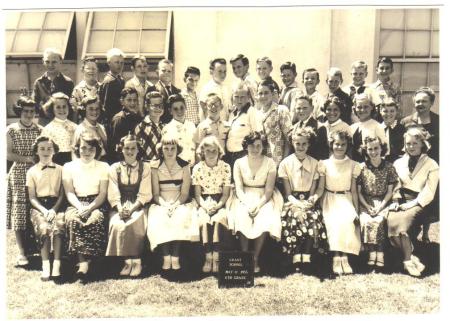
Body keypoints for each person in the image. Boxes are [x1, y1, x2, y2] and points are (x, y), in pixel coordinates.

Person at [386, 126, 439, 277]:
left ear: (422, 144)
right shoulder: (398, 162)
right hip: (400, 201)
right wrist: (395, 200)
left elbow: (429, 192)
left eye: (415, 143)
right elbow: (395, 184)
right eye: (408, 143)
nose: (411, 147)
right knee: (390, 225)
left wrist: (412, 204)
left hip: (420, 203)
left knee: (402, 227)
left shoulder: (432, 164)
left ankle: (407, 261)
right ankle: (412, 255)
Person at [228, 132, 283, 273]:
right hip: (243, 196)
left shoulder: (270, 163)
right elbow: (239, 188)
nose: (255, 149)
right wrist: (247, 204)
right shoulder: (239, 163)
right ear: (246, 146)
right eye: (252, 145)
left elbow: (269, 190)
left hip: (263, 197)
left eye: (259, 146)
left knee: (264, 216)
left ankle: (255, 258)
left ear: (263, 147)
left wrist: (258, 206)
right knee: (242, 214)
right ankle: (245, 257)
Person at [147, 135, 199, 271]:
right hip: (161, 201)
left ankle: (175, 257)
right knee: (160, 217)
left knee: (179, 217)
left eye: (173, 148)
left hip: (180, 201)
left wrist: (175, 205)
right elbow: (156, 194)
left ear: (178, 149)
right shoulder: (154, 166)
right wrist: (165, 205)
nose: (169, 151)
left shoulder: (185, 165)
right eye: (166, 148)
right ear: (161, 150)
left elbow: (184, 193)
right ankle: (166, 257)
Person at [278, 128, 327, 272]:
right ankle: (295, 255)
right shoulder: (286, 164)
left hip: (309, 200)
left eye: (304, 144)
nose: (300, 147)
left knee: (311, 217)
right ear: (293, 143)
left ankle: (306, 256)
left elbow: (316, 188)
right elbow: (288, 193)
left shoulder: (315, 164)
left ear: (308, 144)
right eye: (297, 143)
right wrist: (297, 204)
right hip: (292, 200)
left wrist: (312, 200)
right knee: (294, 216)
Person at [62, 132, 110, 281]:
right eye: (83, 148)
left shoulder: (103, 166)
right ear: (77, 148)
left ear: (97, 150)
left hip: (96, 203)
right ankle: (82, 262)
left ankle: (93, 259)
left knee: (95, 220)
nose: (87, 152)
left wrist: (90, 208)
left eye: (91, 148)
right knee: (74, 220)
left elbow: (103, 193)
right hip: (75, 202)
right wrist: (80, 207)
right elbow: (69, 192)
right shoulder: (68, 166)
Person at [315, 130, 361, 275]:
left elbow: (354, 190)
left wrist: (357, 209)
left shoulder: (353, 165)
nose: (339, 147)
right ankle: (336, 257)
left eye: (343, 144)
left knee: (347, 220)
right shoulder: (324, 164)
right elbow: (321, 187)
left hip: (346, 198)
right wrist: (315, 199)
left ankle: (345, 257)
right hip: (330, 199)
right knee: (334, 221)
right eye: (336, 144)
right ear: (331, 145)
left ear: (347, 146)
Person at [106, 134, 152, 277]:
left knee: (135, 221)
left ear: (138, 150)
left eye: (133, 148)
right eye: (127, 148)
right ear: (122, 149)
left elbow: (145, 193)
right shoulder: (114, 168)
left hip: (138, 204)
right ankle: (127, 261)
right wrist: (120, 209)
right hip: (120, 204)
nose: (130, 151)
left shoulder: (145, 167)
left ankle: (136, 261)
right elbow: (113, 192)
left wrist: (131, 209)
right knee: (117, 223)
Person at [7, 95, 43, 267]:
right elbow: (7, 154)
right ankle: (22, 252)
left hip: (37, 174)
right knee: (20, 213)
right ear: (19, 112)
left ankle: (36, 248)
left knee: (35, 208)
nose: (29, 115)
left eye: (32, 111)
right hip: (19, 173)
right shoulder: (11, 130)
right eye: (26, 111)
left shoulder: (39, 130)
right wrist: (29, 159)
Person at [401, 87, 439, 243]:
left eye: (424, 101)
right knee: (414, 195)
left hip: (433, 164)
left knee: (430, 197)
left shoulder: (439, 121)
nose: (420, 104)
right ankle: (411, 229)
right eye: (417, 101)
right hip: (413, 163)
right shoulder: (406, 121)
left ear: (431, 103)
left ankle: (425, 232)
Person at [26, 136, 65, 281]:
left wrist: (54, 209)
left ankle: (57, 264)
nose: (46, 151)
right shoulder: (31, 171)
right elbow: (32, 198)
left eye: (49, 148)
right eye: (42, 149)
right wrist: (44, 210)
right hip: (39, 206)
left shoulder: (61, 170)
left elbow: (62, 194)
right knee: (44, 228)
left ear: (54, 151)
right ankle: (45, 265)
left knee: (59, 227)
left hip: (57, 205)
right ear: (36, 151)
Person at [192, 136, 231, 273]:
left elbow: (226, 194)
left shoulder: (225, 167)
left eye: (214, 151)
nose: (211, 154)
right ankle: (208, 257)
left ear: (219, 151)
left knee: (219, 220)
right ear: (202, 152)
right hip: (203, 202)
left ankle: (217, 257)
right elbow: (197, 195)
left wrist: (218, 206)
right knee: (203, 221)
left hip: (220, 201)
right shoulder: (197, 168)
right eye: (207, 151)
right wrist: (205, 206)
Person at [357, 136, 397, 268]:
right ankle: (371, 252)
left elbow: (390, 191)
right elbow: (359, 192)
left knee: (379, 221)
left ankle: (380, 253)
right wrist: (367, 206)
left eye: (376, 148)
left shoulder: (389, 167)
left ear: (382, 148)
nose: (373, 152)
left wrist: (380, 206)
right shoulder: (361, 168)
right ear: (365, 150)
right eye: (370, 149)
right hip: (366, 201)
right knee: (367, 221)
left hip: (383, 201)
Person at [32, 47, 74, 126]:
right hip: (44, 124)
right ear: (43, 61)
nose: (50, 65)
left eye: (54, 62)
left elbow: (71, 108)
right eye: (47, 62)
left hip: (63, 123)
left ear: (60, 62)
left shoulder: (68, 82)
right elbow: (34, 106)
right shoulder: (38, 82)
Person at [226, 82, 263, 170]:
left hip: (243, 155)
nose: (239, 100)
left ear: (247, 98)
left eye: (242, 97)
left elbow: (257, 135)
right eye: (236, 97)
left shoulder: (252, 112)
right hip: (230, 155)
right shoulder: (232, 113)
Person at [258, 80, 292, 166]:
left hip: (278, 160)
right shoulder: (257, 114)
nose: (263, 96)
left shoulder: (281, 110)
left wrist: (283, 163)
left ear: (272, 94)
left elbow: (289, 140)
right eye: (260, 93)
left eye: (266, 93)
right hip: (262, 162)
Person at [108, 87, 143, 163]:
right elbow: (116, 145)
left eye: (135, 100)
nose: (132, 103)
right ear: (122, 101)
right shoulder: (119, 119)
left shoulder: (137, 117)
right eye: (129, 100)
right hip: (122, 161)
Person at [350, 93, 387, 162]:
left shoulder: (377, 126)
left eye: (366, 106)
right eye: (359, 107)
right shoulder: (352, 127)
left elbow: (383, 152)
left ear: (372, 107)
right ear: (355, 108)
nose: (362, 110)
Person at [41, 92, 77, 165]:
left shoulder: (75, 126)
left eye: (64, 106)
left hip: (73, 161)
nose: (62, 110)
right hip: (55, 162)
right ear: (52, 109)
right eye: (58, 107)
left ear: (69, 108)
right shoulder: (48, 129)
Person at [161, 94, 196, 166]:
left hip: (193, 165)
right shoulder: (167, 129)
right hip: (177, 168)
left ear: (186, 107)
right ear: (170, 111)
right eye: (175, 109)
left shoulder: (192, 126)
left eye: (181, 107)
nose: (179, 111)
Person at [73, 95, 108, 161]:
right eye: (91, 109)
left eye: (97, 109)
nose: (94, 112)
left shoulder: (101, 127)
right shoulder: (81, 129)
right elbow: (75, 152)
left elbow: (105, 148)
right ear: (84, 110)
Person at [134, 91, 165, 161]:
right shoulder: (140, 127)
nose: (158, 108)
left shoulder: (165, 127)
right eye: (154, 105)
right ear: (147, 107)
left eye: (160, 105)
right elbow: (139, 153)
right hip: (147, 167)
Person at [98, 48, 125, 126]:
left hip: (119, 119)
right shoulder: (109, 81)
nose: (119, 65)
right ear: (109, 63)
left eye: (122, 63)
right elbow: (105, 106)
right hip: (111, 121)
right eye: (117, 62)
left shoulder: (120, 79)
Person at [369, 57, 401, 121]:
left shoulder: (395, 88)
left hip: (390, 120)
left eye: (387, 68)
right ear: (376, 70)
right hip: (374, 121)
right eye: (381, 68)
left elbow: (398, 108)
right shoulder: (371, 88)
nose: (384, 71)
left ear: (392, 70)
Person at [70, 57, 100, 123]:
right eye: (88, 68)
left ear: (97, 70)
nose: (91, 71)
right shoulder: (77, 90)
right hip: (83, 124)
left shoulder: (102, 87)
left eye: (93, 68)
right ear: (83, 70)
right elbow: (75, 112)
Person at [154, 59, 181, 124]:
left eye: (169, 71)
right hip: (160, 127)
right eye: (163, 70)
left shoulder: (178, 91)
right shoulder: (152, 90)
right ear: (157, 72)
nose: (166, 73)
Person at [380, 98, 406, 163]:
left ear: (396, 111)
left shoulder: (402, 129)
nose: (388, 114)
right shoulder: (377, 128)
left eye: (392, 111)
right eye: (385, 111)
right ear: (380, 111)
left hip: (398, 162)